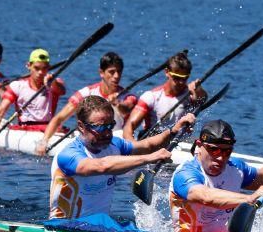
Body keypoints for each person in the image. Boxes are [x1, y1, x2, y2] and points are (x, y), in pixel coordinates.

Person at [50, 96, 196, 218]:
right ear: (81, 126)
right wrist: (150, 158)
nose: (107, 133)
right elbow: (102, 166)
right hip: (66, 227)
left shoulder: (115, 145)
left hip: (99, 227)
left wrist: (173, 131)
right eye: (100, 128)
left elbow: (147, 145)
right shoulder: (68, 155)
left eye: (110, 125)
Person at [169, 120, 263, 232]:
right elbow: (205, 196)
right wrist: (249, 198)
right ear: (200, 146)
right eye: (214, 149)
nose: (220, 157)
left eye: (227, 151)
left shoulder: (236, 168)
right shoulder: (185, 173)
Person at [36, 52, 137, 155]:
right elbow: (59, 119)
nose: (116, 76)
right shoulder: (86, 93)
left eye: (119, 72)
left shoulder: (127, 96)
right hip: (91, 140)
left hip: (116, 139)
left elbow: (127, 108)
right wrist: (44, 141)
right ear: (101, 72)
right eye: (112, 72)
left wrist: (117, 103)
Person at [0, 48, 66, 145]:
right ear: (29, 66)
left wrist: (53, 82)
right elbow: (1, 111)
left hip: (47, 129)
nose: (40, 72)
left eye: (44, 68)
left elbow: (62, 91)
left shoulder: (54, 84)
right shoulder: (18, 86)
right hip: (25, 129)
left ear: (48, 68)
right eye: (37, 68)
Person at [123, 51, 207, 139]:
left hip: (177, 142)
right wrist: (132, 146)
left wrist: (199, 89)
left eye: (184, 78)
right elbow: (129, 126)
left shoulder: (190, 95)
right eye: (177, 78)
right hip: (152, 142)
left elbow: (203, 99)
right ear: (167, 72)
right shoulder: (151, 97)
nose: (181, 82)